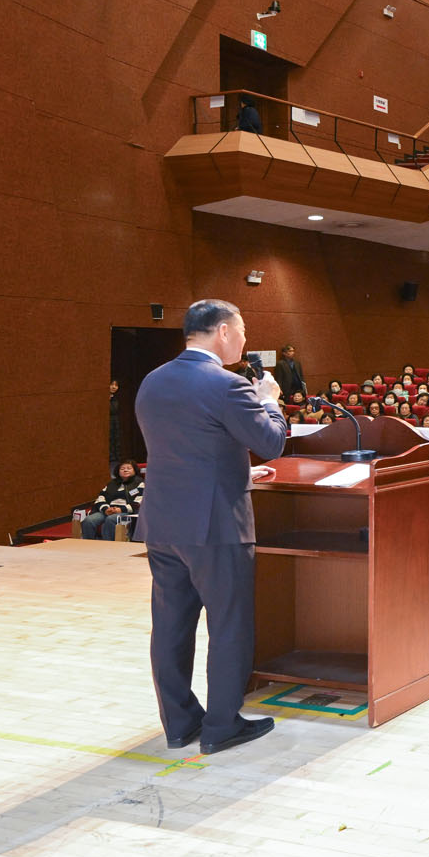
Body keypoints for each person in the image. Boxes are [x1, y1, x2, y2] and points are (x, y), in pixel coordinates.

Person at [133, 298, 288, 757]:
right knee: (229, 624)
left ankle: (180, 725)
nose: (244, 340)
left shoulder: (152, 380)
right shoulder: (228, 384)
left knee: (170, 627)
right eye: (242, 331)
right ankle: (222, 725)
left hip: (164, 523)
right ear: (222, 331)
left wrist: (238, 469)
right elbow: (271, 442)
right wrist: (269, 401)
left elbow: (184, 445)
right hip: (216, 525)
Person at [80, 460, 143, 540]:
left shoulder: (140, 483)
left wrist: (120, 509)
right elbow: (100, 498)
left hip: (127, 512)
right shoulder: (112, 484)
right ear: (118, 471)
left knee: (111, 519)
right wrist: (106, 509)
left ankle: (108, 544)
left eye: (129, 468)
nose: (125, 470)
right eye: (122, 468)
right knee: (89, 520)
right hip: (109, 510)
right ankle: (89, 544)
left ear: (135, 471)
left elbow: (138, 503)